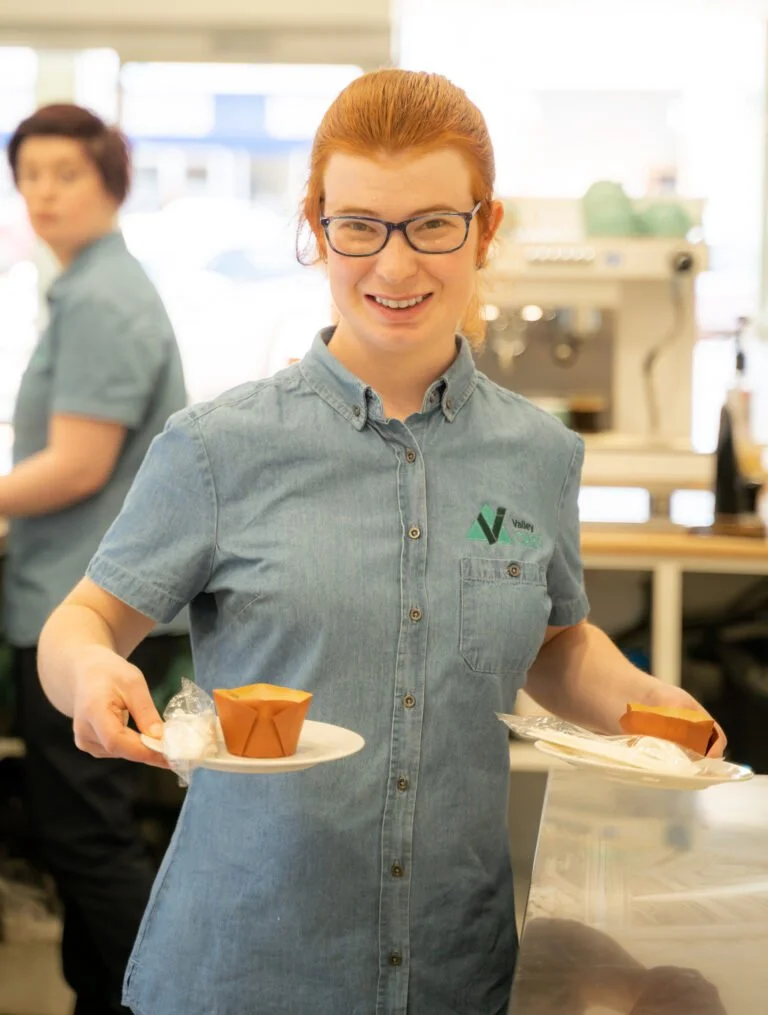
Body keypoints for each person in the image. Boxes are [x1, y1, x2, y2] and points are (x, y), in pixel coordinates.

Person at [36, 71, 725, 1015]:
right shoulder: (217, 447)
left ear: (485, 229)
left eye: (433, 224)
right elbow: (82, 620)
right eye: (360, 225)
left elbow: (556, 643)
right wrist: (84, 674)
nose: (395, 266)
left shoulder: (537, 455)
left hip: (454, 968)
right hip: (244, 968)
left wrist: (647, 706)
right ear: (317, 230)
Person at [1, 104, 187, 1014]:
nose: (42, 191)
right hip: (76, 593)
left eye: (64, 172)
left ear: (112, 178)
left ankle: (145, 999)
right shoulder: (86, 286)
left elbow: (77, 463)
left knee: (87, 837)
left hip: (93, 604)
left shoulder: (106, 297)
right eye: (28, 172)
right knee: (85, 832)